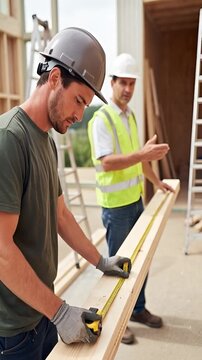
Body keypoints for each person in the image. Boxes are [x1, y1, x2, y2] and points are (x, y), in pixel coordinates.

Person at [0, 29, 132, 360]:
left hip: (41, 309)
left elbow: (61, 215)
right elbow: (1, 251)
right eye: (79, 100)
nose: (79, 114)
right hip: (13, 332)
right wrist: (61, 312)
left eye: (85, 105)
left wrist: (100, 261)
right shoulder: (9, 140)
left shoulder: (46, 140)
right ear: (55, 77)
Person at [88, 53, 174, 345]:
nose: (128, 88)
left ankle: (136, 310)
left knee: (141, 261)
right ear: (111, 82)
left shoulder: (131, 116)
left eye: (132, 83)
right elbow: (108, 162)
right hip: (115, 209)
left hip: (135, 201)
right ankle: (115, 320)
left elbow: (139, 160)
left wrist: (156, 182)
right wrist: (142, 155)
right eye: (123, 82)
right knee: (117, 268)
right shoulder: (102, 118)